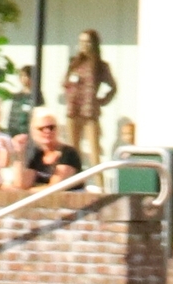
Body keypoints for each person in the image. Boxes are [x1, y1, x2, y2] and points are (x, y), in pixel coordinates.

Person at [62, 30, 118, 159]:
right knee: (73, 152)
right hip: (73, 110)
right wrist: (70, 93)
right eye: (81, 41)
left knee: (94, 153)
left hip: (89, 113)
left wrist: (101, 101)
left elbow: (113, 87)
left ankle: (99, 179)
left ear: (94, 44)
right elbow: (64, 83)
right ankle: (76, 179)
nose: (84, 44)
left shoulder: (100, 65)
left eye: (87, 41)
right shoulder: (74, 63)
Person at [16, 109, 83, 186]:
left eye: (51, 127)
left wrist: (28, 192)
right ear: (33, 132)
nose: (47, 131)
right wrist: (19, 155)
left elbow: (54, 188)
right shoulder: (37, 154)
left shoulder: (68, 153)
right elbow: (22, 185)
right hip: (41, 195)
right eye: (41, 128)